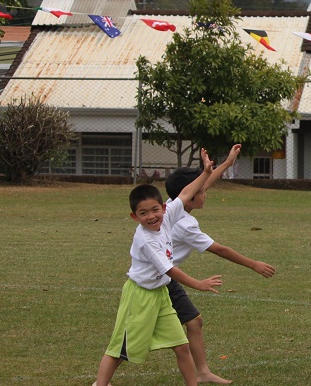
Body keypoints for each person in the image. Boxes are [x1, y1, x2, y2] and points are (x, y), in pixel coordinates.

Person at [94, 150, 223, 386]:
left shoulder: (168, 215)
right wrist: (198, 284)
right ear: (135, 217)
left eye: (155, 210)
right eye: (143, 213)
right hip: (140, 297)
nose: (151, 217)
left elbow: (186, 193)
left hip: (161, 295)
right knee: (120, 348)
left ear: (164, 208)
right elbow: (169, 270)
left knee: (182, 346)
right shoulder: (146, 239)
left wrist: (205, 173)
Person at [164, 145, 276, 384]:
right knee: (134, 335)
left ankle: (203, 373)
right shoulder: (185, 224)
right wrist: (253, 264)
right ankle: (102, 379)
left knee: (194, 321)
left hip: (167, 277)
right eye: (202, 192)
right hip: (160, 278)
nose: (206, 193)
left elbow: (202, 183)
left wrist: (226, 163)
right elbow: (219, 249)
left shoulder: (172, 204)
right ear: (190, 195)